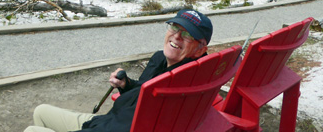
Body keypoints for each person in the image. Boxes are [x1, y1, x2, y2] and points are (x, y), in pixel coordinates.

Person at [24, 9, 213, 132]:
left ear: (200, 48)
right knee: (41, 112)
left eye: (187, 34)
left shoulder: (180, 82)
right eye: (174, 27)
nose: (177, 36)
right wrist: (126, 84)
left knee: (31, 131)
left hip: (110, 127)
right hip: (107, 121)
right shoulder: (164, 63)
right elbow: (145, 94)